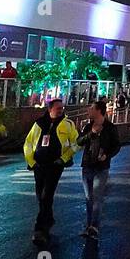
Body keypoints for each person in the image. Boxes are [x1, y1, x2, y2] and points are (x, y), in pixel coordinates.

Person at [23, 99, 79, 246]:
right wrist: (31, 162)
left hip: (55, 165)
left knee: (46, 195)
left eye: (62, 108)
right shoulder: (39, 124)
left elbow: (75, 143)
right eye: (58, 108)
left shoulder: (68, 125)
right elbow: (28, 143)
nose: (61, 110)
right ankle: (49, 218)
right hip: (39, 165)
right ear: (50, 109)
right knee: (40, 194)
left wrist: (64, 158)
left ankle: (41, 229)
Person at [76, 100, 121, 239]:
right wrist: (91, 133)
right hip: (87, 166)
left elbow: (116, 146)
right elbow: (79, 141)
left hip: (101, 168)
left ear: (99, 111)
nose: (89, 110)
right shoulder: (88, 126)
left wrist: (107, 155)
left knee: (96, 197)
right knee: (88, 198)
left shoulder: (109, 127)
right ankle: (88, 225)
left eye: (91, 108)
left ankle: (94, 226)